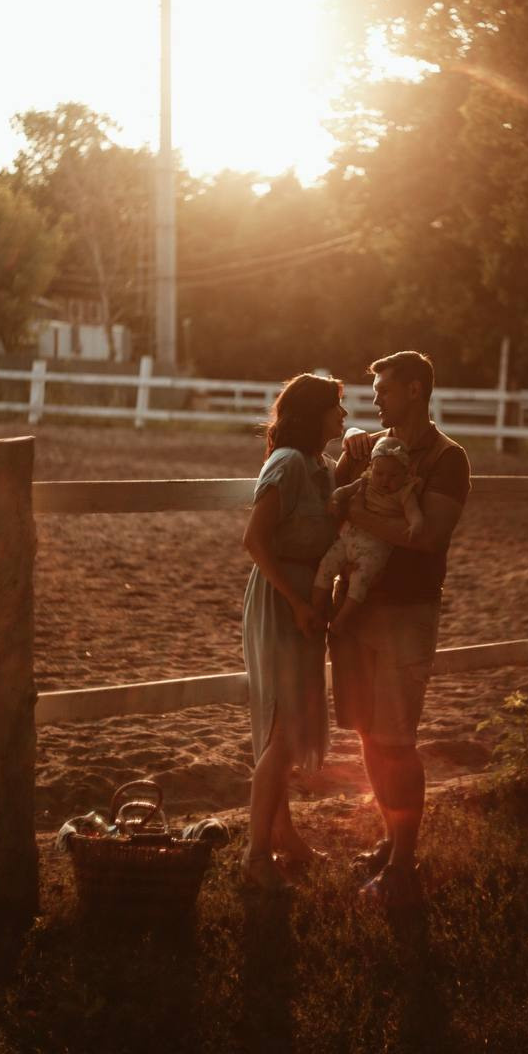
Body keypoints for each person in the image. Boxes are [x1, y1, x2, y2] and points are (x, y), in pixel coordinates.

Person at [331, 351, 471, 908]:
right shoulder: (369, 449)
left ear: (415, 390)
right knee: (367, 732)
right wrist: (347, 454)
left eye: (386, 390)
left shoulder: (446, 459)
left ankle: (403, 866)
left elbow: (428, 537)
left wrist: (357, 517)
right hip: (358, 607)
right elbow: (329, 500)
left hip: (406, 612)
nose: (378, 400)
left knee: (397, 739)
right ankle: (390, 842)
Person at [241, 372, 347, 891]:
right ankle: (256, 854)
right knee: (282, 730)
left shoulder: (322, 469)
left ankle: (285, 837)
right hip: (283, 601)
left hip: (307, 605)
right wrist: (299, 601)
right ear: (314, 414)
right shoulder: (285, 465)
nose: (344, 418)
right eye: (337, 409)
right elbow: (256, 541)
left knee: (289, 723)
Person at [311, 437, 423, 634]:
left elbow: (413, 511)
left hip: (375, 546)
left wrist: (416, 523)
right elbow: (343, 491)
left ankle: (342, 618)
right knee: (326, 564)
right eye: (380, 473)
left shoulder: (405, 491)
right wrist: (335, 499)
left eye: (393, 475)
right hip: (349, 537)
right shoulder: (366, 480)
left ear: (405, 474)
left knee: (360, 580)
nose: (385, 480)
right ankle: (317, 607)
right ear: (371, 468)